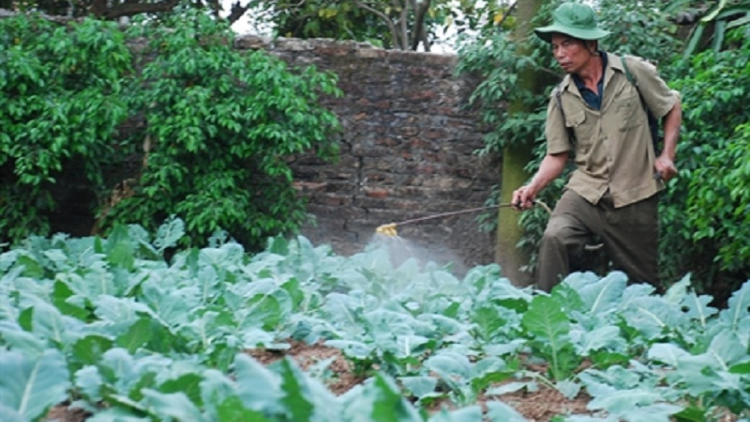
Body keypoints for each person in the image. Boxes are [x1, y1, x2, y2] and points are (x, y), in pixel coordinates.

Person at [511, 2, 682, 292]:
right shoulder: (561, 97)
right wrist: (532, 187)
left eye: (567, 44)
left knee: (644, 286)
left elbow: (671, 105)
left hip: (635, 195)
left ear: (591, 42)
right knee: (555, 237)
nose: (560, 54)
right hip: (585, 193)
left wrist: (667, 155)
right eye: (555, 47)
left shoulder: (632, 72)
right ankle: (546, 316)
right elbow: (557, 155)